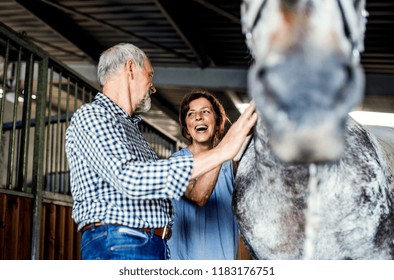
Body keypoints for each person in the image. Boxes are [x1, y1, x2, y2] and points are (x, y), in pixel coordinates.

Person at [65, 42, 257, 260]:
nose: (152, 86)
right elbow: (130, 178)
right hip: (121, 242)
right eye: (150, 75)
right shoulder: (93, 116)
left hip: (148, 244)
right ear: (130, 69)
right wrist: (223, 150)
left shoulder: (132, 131)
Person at [167, 90, 242, 260]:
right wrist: (225, 149)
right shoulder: (176, 163)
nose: (198, 117)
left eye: (206, 112)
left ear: (217, 121)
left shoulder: (231, 165)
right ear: (187, 126)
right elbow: (198, 196)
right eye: (191, 114)